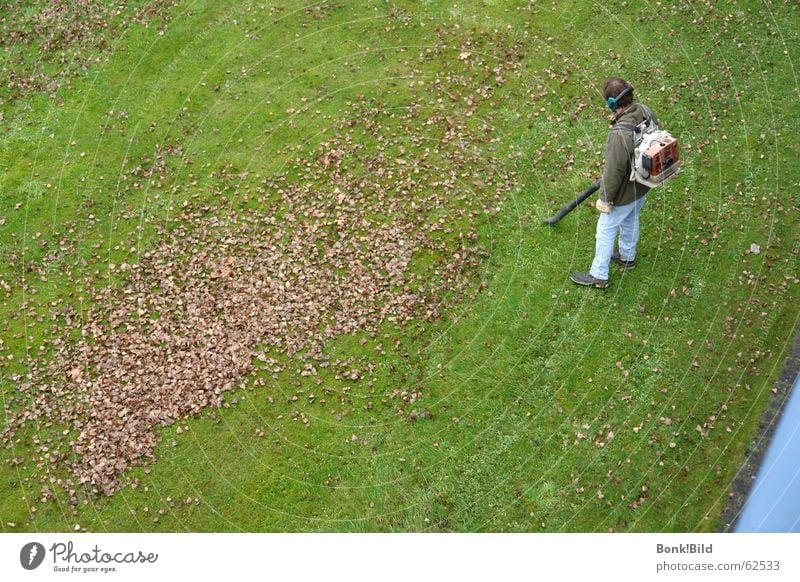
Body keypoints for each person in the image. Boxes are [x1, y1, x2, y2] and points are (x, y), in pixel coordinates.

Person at [571, 78, 657, 288]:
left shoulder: (619, 133)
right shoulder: (645, 111)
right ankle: (627, 256)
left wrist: (606, 200)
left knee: (605, 229)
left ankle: (599, 275)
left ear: (611, 103)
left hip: (625, 191)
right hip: (644, 184)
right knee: (631, 218)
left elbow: (613, 172)